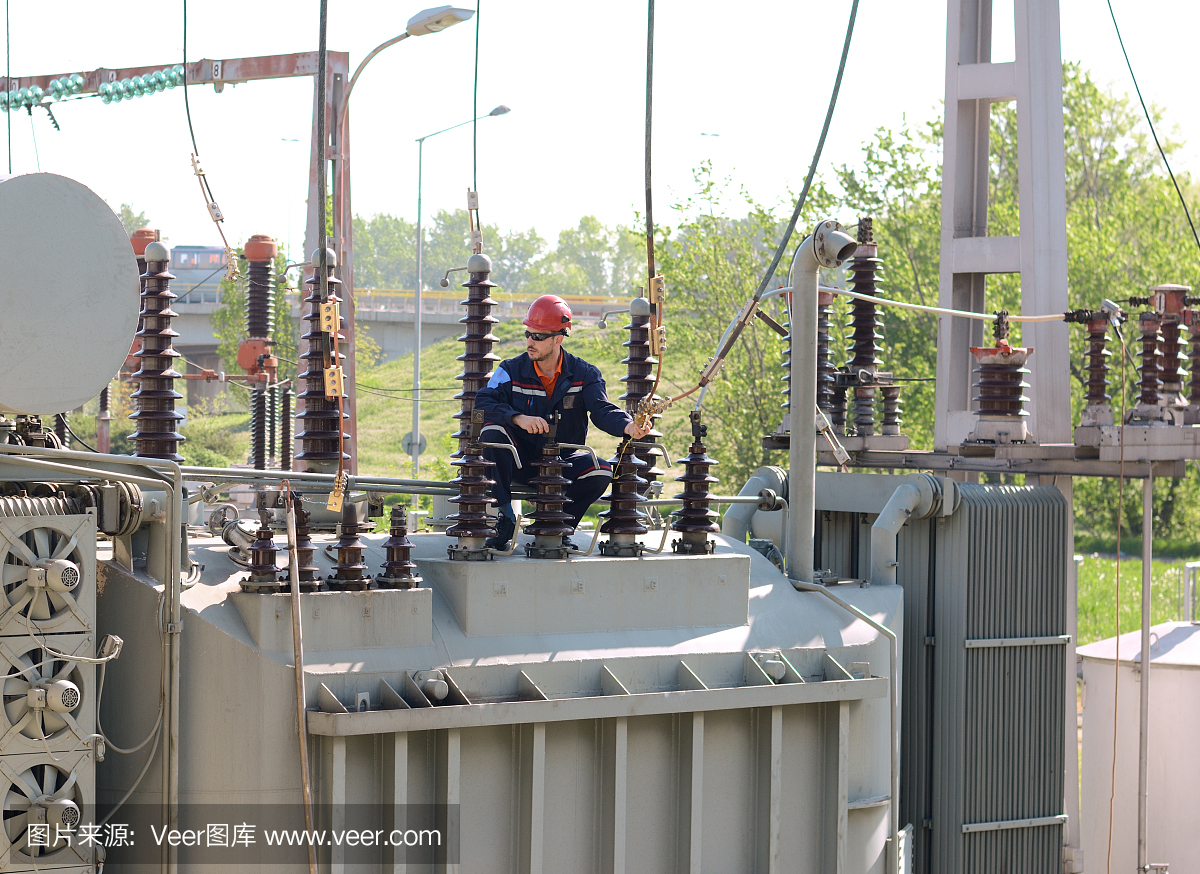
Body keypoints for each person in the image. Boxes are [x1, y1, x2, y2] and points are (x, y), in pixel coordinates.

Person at [474, 295, 652, 550]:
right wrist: (518, 418)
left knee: (600, 470)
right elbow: (483, 401)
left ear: (558, 338)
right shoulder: (510, 370)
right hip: (518, 462)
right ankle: (505, 518)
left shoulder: (584, 374)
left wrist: (628, 426)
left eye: (538, 336)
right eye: (528, 333)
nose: (529, 342)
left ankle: (561, 526)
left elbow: (602, 409)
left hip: (561, 464)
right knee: (492, 431)